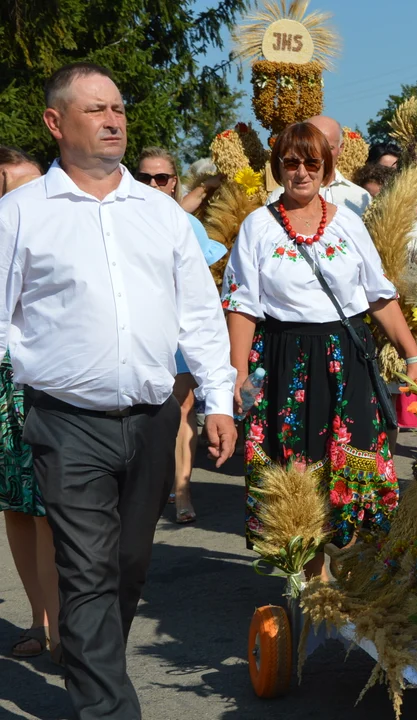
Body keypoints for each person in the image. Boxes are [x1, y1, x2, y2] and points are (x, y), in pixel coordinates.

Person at [0, 62, 237, 719]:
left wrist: (219, 401)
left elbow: (199, 314)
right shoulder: (20, 214)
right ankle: (107, 707)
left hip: (155, 417)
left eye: (119, 109)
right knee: (87, 572)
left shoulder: (159, 215)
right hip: (64, 421)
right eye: (96, 110)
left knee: (129, 565)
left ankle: (88, 660)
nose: (113, 121)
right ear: (55, 122)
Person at [222, 121, 417, 552]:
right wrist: (239, 375)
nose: (301, 172)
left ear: (327, 168)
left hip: (345, 356)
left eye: (311, 162)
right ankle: (306, 579)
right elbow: (242, 305)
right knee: (295, 470)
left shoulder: (349, 224)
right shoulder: (257, 226)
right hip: (282, 360)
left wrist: (413, 356)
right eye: (291, 162)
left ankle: (351, 571)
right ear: (278, 168)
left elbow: (379, 295)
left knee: (355, 461)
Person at [135, 146, 228, 525]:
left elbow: (198, 291)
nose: (154, 185)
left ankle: (182, 489)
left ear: (173, 182)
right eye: (145, 178)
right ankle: (148, 487)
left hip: (178, 332)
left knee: (184, 408)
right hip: (139, 332)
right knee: (145, 411)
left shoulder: (185, 224)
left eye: (162, 178)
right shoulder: (122, 218)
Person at [0, 147, 61, 663]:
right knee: (17, 507)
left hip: (48, 380)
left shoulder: (61, 223)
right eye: (15, 189)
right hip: (5, 383)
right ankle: (40, 620)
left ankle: (66, 630)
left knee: (50, 509)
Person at [269, 115, 372, 219]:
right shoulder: (276, 198)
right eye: (292, 163)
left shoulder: (359, 196)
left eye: (328, 148)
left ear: (341, 147)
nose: (322, 154)